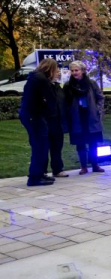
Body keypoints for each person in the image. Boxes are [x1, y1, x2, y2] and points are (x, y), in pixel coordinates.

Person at [19, 58, 57, 186]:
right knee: (40, 145)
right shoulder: (41, 80)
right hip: (34, 116)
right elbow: (51, 98)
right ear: (51, 69)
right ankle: (35, 177)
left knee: (39, 144)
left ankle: (38, 174)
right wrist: (52, 112)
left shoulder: (34, 78)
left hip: (29, 115)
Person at [64, 61, 105, 175]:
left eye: (76, 70)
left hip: (91, 116)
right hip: (77, 117)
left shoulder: (91, 83)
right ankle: (83, 166)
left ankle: (95, 165)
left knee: (93, 143)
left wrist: (98, 110)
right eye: (72, 71)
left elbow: (100, 97)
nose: (74, 73)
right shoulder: (68, 85)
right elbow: (65, 101)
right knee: (80, 143)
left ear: (82, 71)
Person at [48, 64, 68, 178]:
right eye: (56, 71)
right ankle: (41, 171)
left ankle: (57, 169)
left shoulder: (57, 86)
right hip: (48, 121)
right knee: (44, 147)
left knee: (57, 147)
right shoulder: (45, 86)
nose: (58, 73)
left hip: (58, 122)